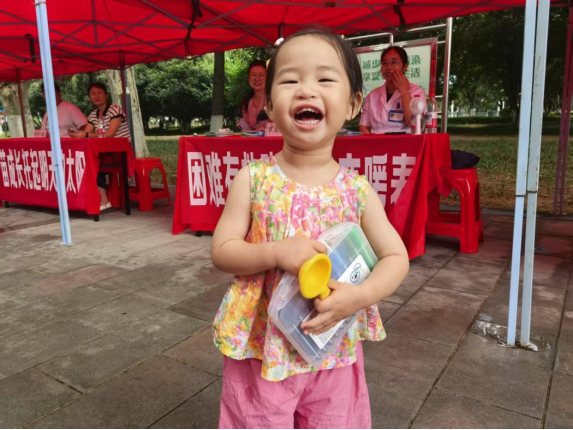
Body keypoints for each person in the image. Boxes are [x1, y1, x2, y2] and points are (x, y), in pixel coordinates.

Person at [211, 29, 409, 429]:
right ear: (270, 104)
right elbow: (223, 250)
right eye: (289, 80)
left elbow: (396, 257)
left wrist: (361, 296)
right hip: (263, 348)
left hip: (331, 346)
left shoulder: (358, 191)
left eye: (324, 78)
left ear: (353, 104)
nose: (306, 89)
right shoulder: (253, 179)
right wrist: (274, 252)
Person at [69, 82, 131, 210]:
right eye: (93, 94)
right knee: (80, 161)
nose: (96, 96)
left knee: (91, 163)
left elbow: (109, 135)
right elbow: (87, 133)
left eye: (99, 93)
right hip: (102, 151)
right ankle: (88, 198)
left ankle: (104, 200)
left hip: (119, 153)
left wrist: (85, 134)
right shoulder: (93, 114)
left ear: (106, 95)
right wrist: (76, 134)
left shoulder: (115, 110)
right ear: (89, 97)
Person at [359, 46, 426, 134]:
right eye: (385, 63)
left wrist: (404, 91)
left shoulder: (416, 92)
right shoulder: (372, 96)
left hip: (405, 141)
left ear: (405, 66)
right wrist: (371, 142)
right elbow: (364, 127)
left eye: (394, 62)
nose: (389, 67)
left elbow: (413, 123)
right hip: (377, 142)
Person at [239, 60, 268, 130]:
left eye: (261, 75)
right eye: (253, 75)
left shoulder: (274, 99)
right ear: (248, 77)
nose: (257, 78)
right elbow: (247, 129)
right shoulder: (246, 103)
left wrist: (267, 131)